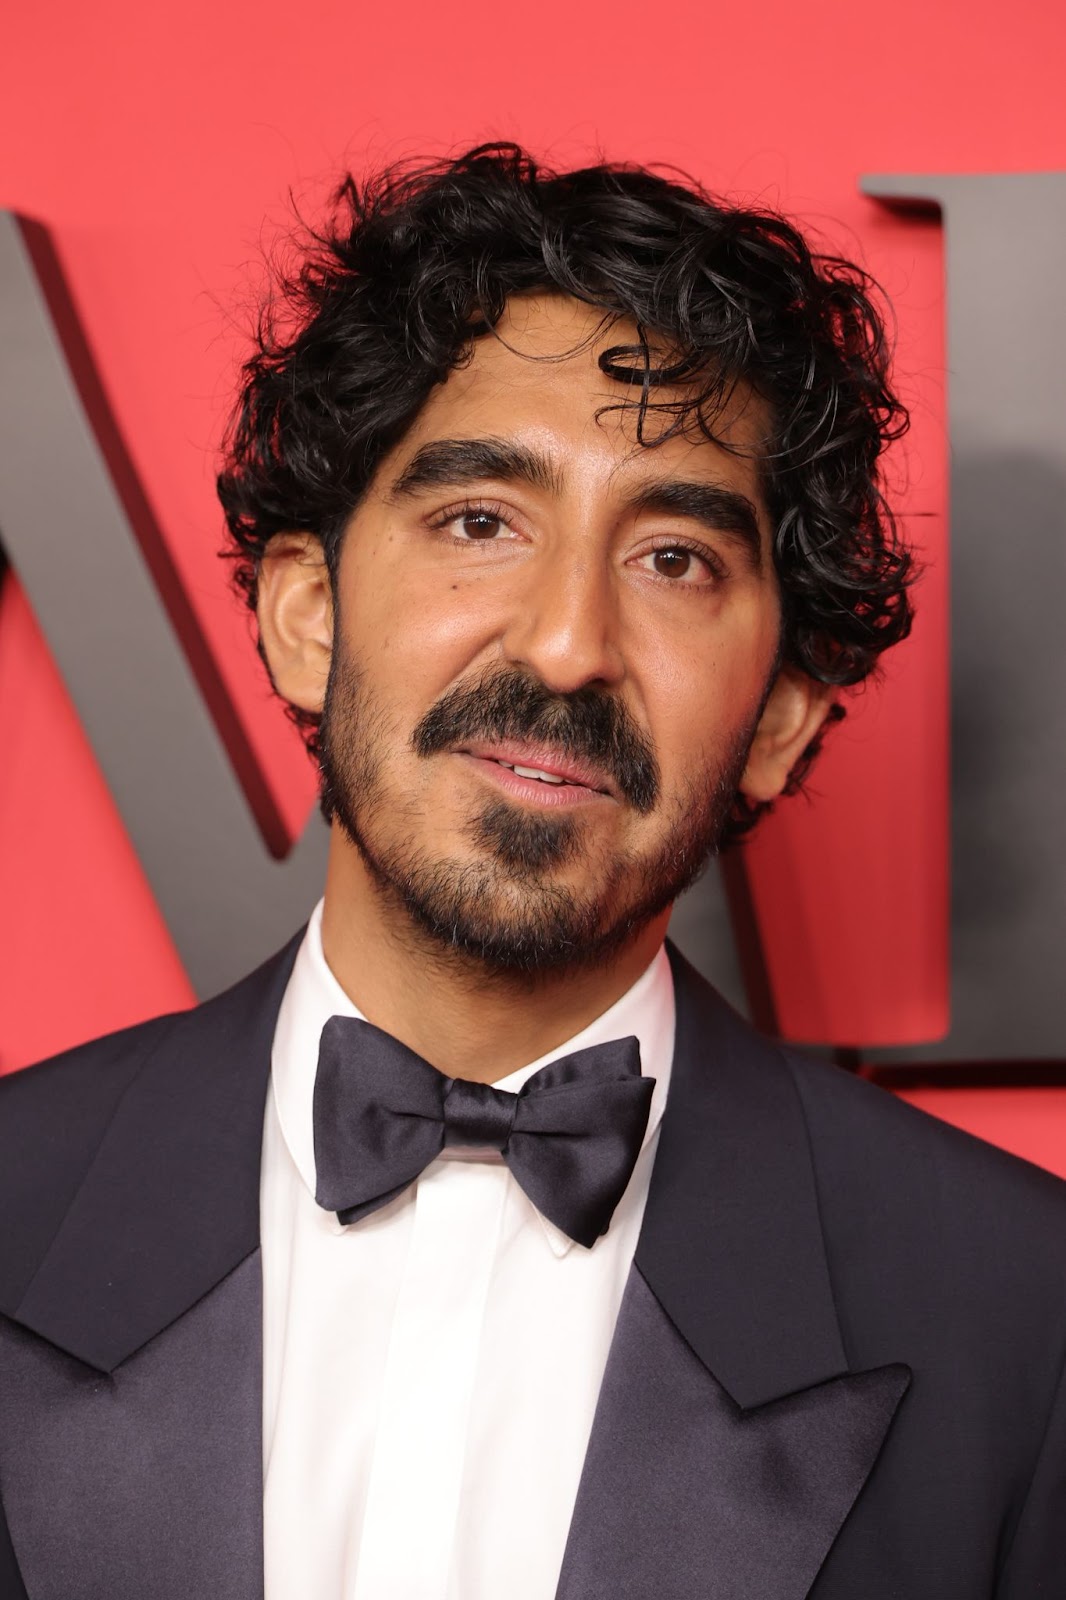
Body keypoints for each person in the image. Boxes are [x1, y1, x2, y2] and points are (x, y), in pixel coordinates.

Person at [1, 144, 1064, 1600]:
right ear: (306, 617)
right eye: (479, 522)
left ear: (774, 722)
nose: (566, 643)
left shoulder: (1025, 1314)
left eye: (676, 557)